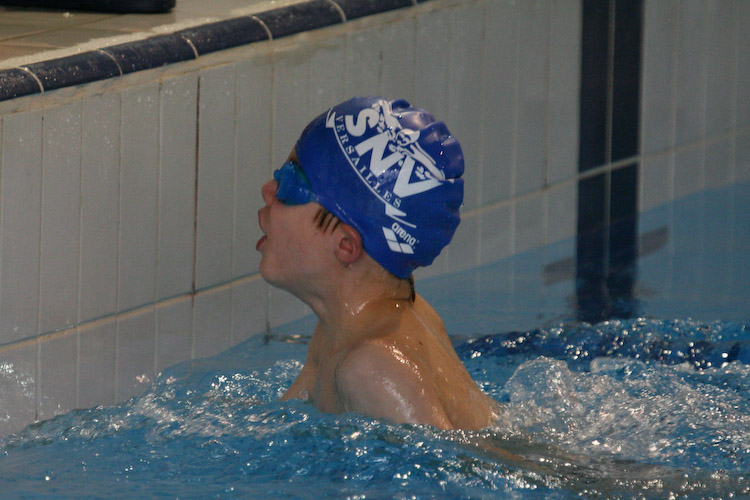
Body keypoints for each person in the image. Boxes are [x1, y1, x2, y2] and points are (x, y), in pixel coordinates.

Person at [257, 97, 497, 430]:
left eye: (289, 185)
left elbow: (449, 461)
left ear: (345, 245)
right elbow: (275, 425)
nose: (268, 190)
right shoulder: (338, 329)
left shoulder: (372, 365)